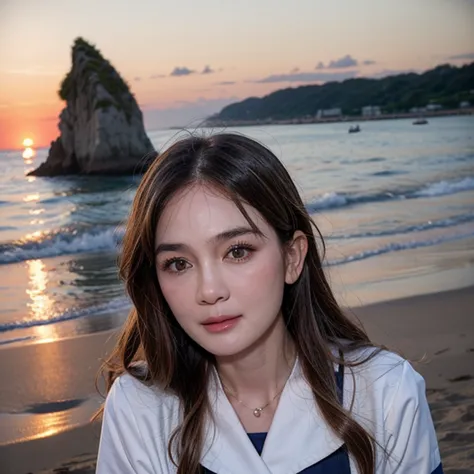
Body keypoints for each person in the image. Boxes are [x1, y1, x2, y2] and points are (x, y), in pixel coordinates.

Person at [96, 133, 443, 474]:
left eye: (237, 251)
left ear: (292, 257)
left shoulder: (386, 392)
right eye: (178, 263)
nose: (209, 290)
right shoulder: (139, 407)